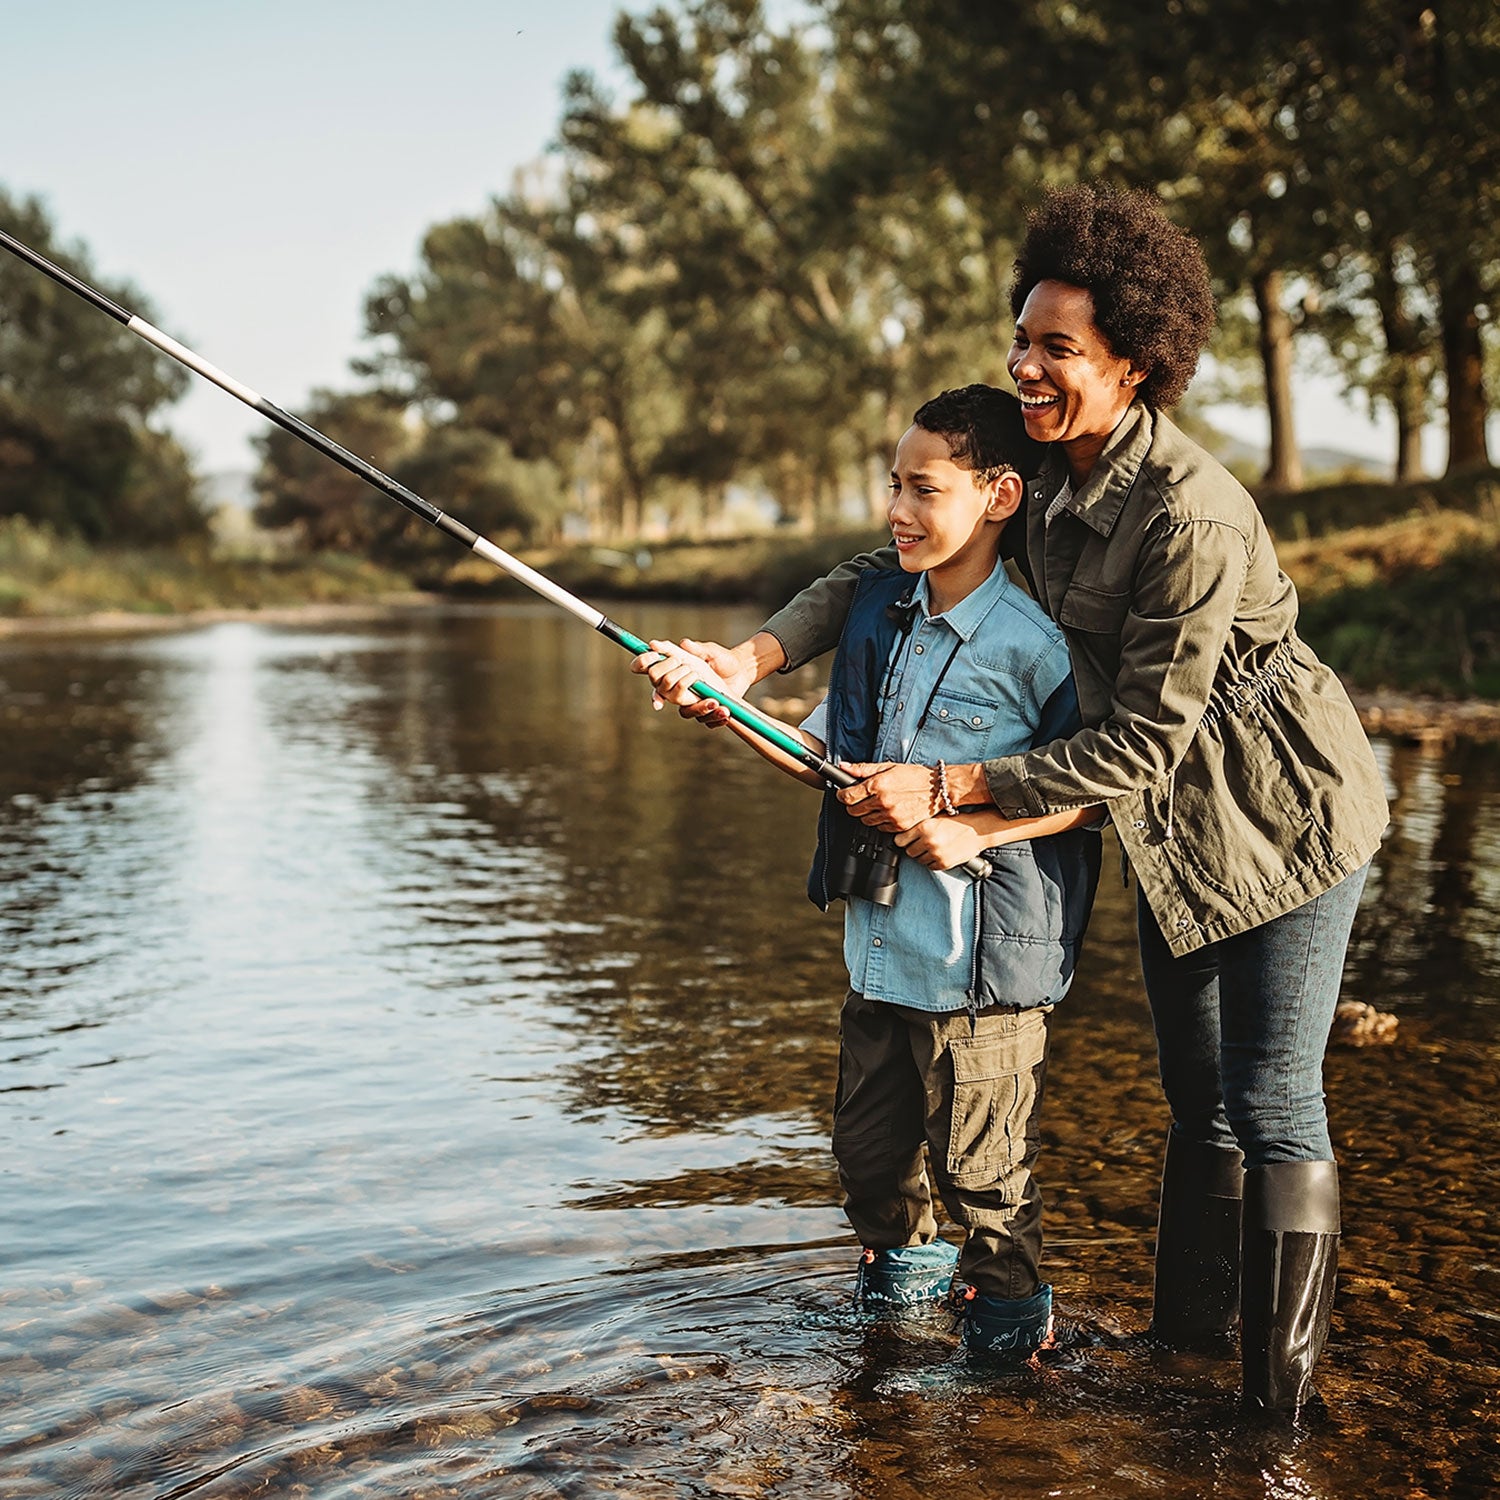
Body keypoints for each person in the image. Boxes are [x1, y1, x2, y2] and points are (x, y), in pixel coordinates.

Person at [649, 187, 1389, 1418]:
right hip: (1159, 824)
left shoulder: (1191, 513)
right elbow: (874, 569)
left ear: (1137, 366)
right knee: (1194, 1097)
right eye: (1024, 338)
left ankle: (1279, 1415)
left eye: (1059, 348)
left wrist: (953, 789)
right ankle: (1185, 1358)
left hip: (1286, 813)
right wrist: (750, 664)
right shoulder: (1031, 468)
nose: (1025, 367)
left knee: (1269, 1099)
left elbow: (1148, 734)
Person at [639, 386, 1102, 1360]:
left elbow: (1099, 792)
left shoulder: (1038, 643)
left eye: (923, 489)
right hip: (881, 960)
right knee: (869, 1164)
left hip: (982, 974)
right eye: (893, 485)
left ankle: (1015, 1344)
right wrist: (726, 706)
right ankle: (900, 1321)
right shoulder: (879, 616)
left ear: (999, 495)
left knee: (985, 1177)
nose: (897, 509)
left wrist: (975, 829)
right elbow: (822, 762)